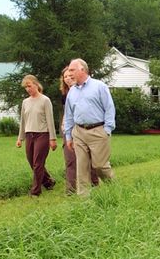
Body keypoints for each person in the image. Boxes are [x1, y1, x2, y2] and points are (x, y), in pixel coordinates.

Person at [63, 58, 116, 195]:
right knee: (82, 168)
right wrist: (69, 137)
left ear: (82, 70)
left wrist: (107, 129)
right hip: (79, 132)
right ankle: (84, 201)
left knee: (100, 166)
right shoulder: (72, 92)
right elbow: (69, 116)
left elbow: (109, 108)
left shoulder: (99, 86)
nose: (69, 74)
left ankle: (115, 188)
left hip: (98, 131)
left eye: (72, 70)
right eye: (68, 70)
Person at [59, 67, 99, 196]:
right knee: (70, 160)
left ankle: (94, 184)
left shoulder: (86, 90)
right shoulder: (65, 95)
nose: (68, 78)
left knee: (89, 159)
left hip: (85, 129)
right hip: (69, 131)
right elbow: (67, 114)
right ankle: (71, 189)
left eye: (71, 76)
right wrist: (64, 126)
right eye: (65, 77)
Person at [16, 74, 57, 196]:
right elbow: (23, 121)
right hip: (29, 135)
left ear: (36, 84)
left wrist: (52, 138)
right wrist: (20, 138)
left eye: (29, 86)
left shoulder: (45, 100)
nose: (28, 89)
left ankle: (35, 191)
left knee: (38, 163)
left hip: (42, 134)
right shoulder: (25, 102)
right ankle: (49, 182)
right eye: (25, 87)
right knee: (31, 161)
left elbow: (50, 120)